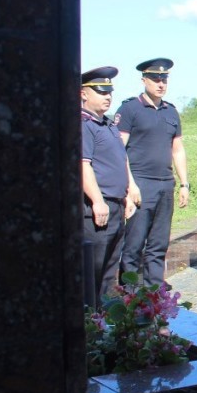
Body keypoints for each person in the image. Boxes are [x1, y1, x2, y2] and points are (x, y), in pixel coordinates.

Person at [117, 58, 189, 287]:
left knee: (158, 244)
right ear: (144, 80)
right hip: (141, 183)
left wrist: (184, 183)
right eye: (155, 79)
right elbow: (120, 150)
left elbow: (177, 149)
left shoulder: (171, 111)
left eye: (164, 79)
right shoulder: (130, 109)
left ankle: (154, 293)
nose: (160, 84)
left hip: (165, 184)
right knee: (134, 244)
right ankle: (128, 293)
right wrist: (130, 185)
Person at [80, 66, 137, 306]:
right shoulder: (83, 124)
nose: (108, 97)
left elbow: (120, 159)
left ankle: (102, 323)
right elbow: (82, 164)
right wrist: (97, 200)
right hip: (97, 207)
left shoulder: (108, 124)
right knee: (92, 270)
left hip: (116, 204)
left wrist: (130, 191)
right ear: (83, 94)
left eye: (109, 92)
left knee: (109, 269)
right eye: (101, 92)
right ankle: (89, 326)